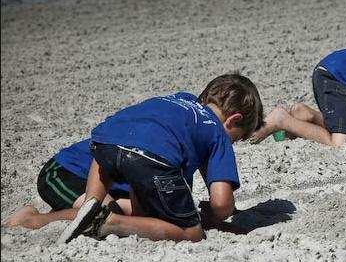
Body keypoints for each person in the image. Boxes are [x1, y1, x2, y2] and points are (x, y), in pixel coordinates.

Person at [59, 73, 264, 243]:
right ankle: (109, 223)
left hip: (105, 142)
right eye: (235, 138)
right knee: (192, 233)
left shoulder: (181, 100)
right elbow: (221, 204)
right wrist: (212, 214)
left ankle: (92, 203)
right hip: (152, 159)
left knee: (111, 153)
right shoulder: (218, 133)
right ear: (233, 120)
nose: (231, 143)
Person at [1, 139, 131, 230]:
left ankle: (59, 213)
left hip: (100, 179)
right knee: (104, 217)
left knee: (117, 214)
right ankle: (31, 219)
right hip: (65, 171)